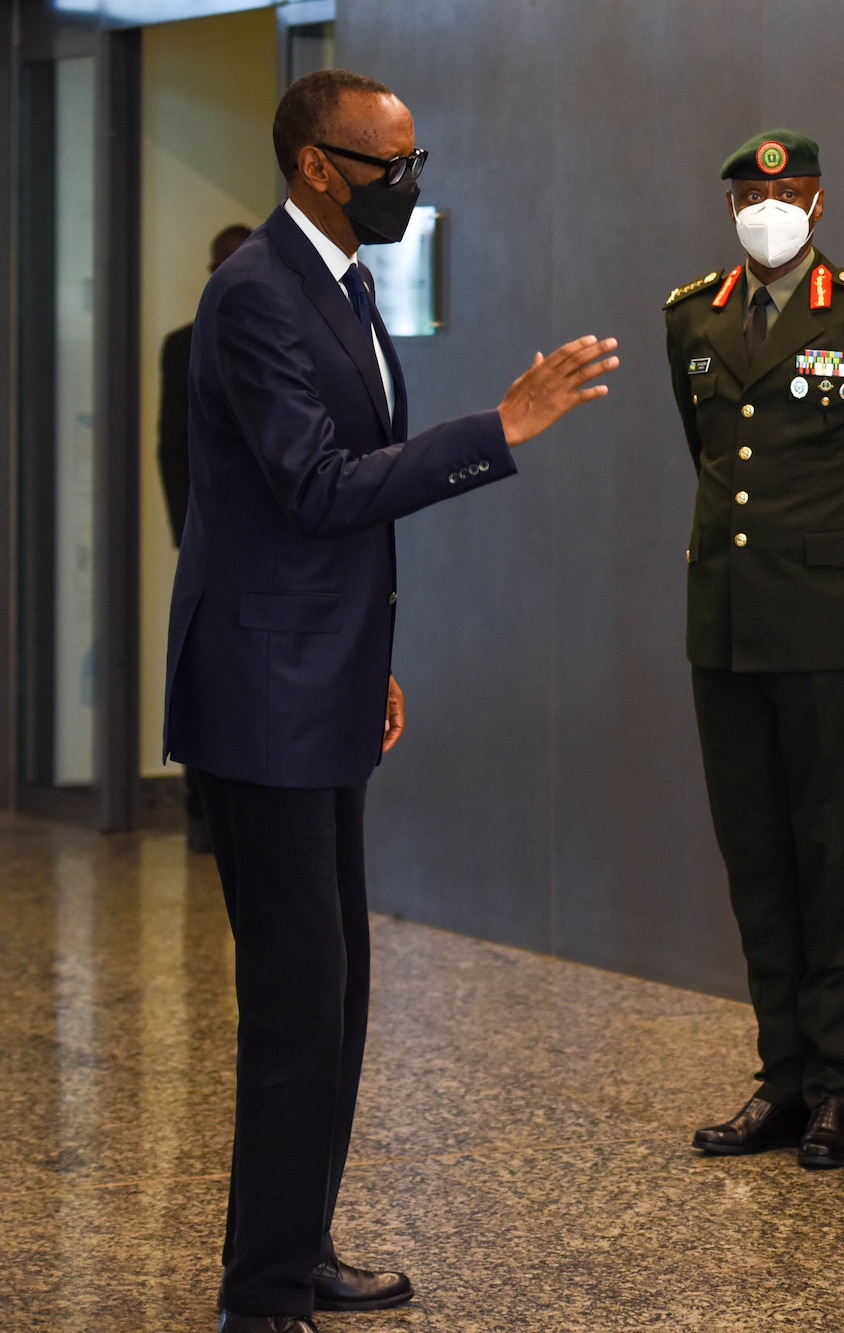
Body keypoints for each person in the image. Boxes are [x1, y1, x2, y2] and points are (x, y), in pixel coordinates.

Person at [164, 69, 619, 1333]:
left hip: (317, 681)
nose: (411, 187)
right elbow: (315, 487)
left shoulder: (337, 284)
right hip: (257, 698)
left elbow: (314, 517)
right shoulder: (252, 294)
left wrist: (367, 660)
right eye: (391, 166)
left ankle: (297, 1247)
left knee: (344, 987)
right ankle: (259, 1299)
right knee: (298, 1003)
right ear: (317, 165)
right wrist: (502, 426)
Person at [663, 130, 844, 1170]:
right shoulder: (689, 314)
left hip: (831, 630)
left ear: (818, 204)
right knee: (756, 861)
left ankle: (832, 1085)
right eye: (747, 191)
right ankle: (777, 1080)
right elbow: (709, 454)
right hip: (726, 625)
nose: (765, 207)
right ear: (729, 202)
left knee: (829, 853)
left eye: (786, 192)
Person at [160, 223, 252, 855]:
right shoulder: (184, 344)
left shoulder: (276, 332)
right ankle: (200, 807)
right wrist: (188, 533)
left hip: (262, 538)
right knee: (205, 672)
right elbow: (174, 446)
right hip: (206, 537)